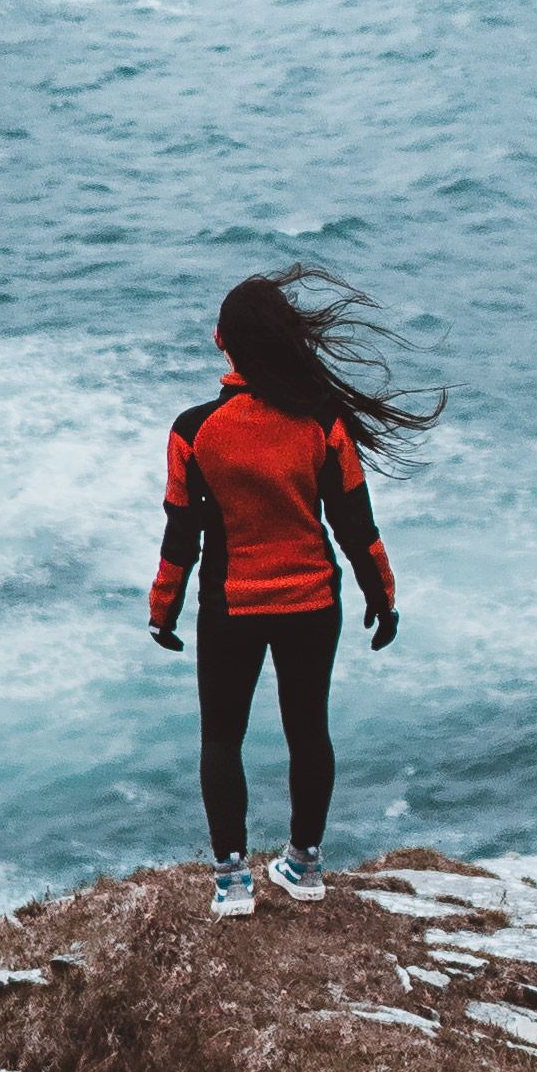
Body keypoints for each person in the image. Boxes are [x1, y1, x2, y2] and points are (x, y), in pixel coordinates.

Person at [148, 265, 444, 918]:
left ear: (224, 343)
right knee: (308, 731)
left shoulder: (193, 430)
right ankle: (304, 862)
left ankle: (231, 878)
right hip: (314, 603)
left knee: (221, 738)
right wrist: (382, 595)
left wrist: (162, 608)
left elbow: (181, 535)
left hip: (232, 606)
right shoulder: (321, 422)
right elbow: (356, 522)